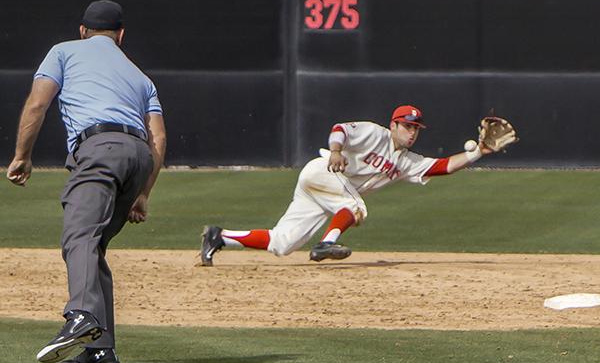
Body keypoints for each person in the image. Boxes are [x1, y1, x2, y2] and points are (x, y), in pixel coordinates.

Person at [6, 0, 167, 363]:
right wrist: (143, 192)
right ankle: (100, 351)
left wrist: (22, 156)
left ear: (83, 31)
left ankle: (80, 315)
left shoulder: (63, 51)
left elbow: (37, 105)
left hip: (99, 149)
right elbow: (157, 138)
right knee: (92, 247)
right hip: (139, 157)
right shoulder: (141, 77)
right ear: (120, 35)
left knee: (78, 237)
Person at [200, 105, 515, 266]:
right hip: (323, 171)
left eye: (415, 128)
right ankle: (326, 243)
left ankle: (220, 237)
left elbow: (441, 167)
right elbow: (340, 129)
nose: (411, 132)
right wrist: (336, 150)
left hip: (327, 190)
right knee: (355, 206)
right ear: (393, 125)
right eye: (407, 126)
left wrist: (479, 153)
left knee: (283, 244)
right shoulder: (374, 133)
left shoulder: (406, 160)